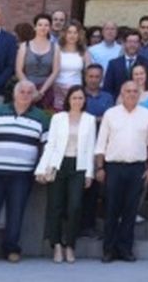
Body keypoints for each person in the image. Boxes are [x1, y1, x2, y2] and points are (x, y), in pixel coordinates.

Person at [0, 80, 49, 263]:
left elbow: (46, 145)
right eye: (22, 91)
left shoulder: (41, 117)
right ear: (14, 94)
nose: (25, 95)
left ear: (34, 96)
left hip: (23, 173)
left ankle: (11, 249)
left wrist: (42, 167)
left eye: (29, 92)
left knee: (16, 212)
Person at [95, 80, 148, 263]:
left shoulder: (147, 115)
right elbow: (101, 143)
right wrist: (100, 167)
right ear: (121, 94)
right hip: (113, 167)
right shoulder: (110, 114)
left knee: (130, 211)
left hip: (137, 168)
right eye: (127, 91)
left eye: (134, 91)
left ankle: (125, 249)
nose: (131, 94)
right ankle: (108, 250)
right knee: (111, 209)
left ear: (139, 94)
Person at [36, 85, 96, 263]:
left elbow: (91, 148)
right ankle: (56, 245)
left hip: (79, 166)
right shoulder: (58, 118)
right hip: (58, 164)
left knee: (75, 206)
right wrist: (41, 168)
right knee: (55, 206)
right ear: (68, 100)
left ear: (84, 100)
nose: (77, 101)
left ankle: (70, 245)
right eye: (74, 98)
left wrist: (89, 173)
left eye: (80, 98)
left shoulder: (90, 119)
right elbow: (51, 144)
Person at [15, 15, 59, 108]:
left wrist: (41, 92)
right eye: (40, 25)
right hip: (25, 90)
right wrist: (30, 89)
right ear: (35, 27)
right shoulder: (24, 46)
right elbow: (19, 70)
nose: (43, 28)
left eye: (46, 25)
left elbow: (55, 71)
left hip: (46, 89)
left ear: (50, 28)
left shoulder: (55, 47)